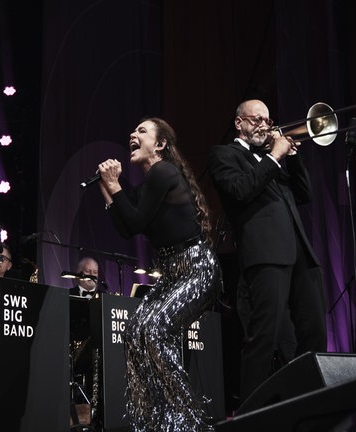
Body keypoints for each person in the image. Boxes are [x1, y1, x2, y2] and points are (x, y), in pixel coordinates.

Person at [95, 117, 221, 431]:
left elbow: (135, 222)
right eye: (133, 130)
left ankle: (189, 422)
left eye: (141, 131)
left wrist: (114, 186)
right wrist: (107, 190)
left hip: (196, 270)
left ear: (161, 144)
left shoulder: (163, 172)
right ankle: (156, 419)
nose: (131, 134)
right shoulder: (149, 184)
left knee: (153, 331)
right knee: (135, 331)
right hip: (172, 274)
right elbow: (126, 227)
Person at [207, 99, 328, 403]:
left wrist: (293, 158)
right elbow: (240, 191)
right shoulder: (224, 155)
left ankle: (305, 404)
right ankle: (252, 416)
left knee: (314, 332)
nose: (264, 125)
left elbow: (304, 194)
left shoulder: (268, 160)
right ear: (239, 123)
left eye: (267, 120)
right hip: (266, 254)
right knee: (264, 338)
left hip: (300, 252)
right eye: (256, 119)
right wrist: (275, 156)